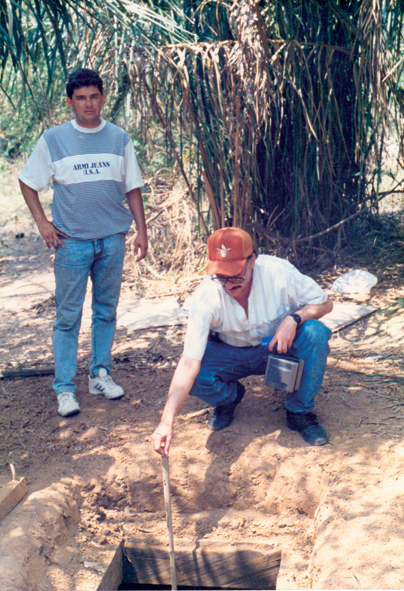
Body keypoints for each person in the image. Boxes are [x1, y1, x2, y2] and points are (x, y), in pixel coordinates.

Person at [19, 68, 147, 418]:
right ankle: (64, 388)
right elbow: (28, 182)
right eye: (81, 98)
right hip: (71, 243)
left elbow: (132, 187)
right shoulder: (54, 139)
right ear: (70, 102)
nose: (88, 104)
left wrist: (142, 230)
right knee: (67, 317)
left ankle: (101, 375)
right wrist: (43, 223)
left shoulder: (119, 138)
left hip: (111, 239)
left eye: (94, 96)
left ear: (102, 98)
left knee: (105, 311)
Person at [152, 227, 333, 455]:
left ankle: (299, 412)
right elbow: (189, 361)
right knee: (196, 376)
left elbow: (326, 304)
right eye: (221, 276)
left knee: (315, 333)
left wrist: (295, 318)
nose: (229, 284)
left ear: (252, 261)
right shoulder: (206, 294)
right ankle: (230, 398)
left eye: (236, 274)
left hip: (274, 347)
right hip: (229, 351)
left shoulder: (278, 272)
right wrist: (166, 421)